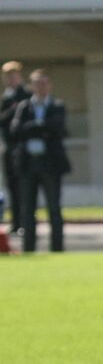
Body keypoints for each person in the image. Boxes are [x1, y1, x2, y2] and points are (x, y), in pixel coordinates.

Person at [10, 69, 70, 254]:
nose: (41, 87)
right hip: (28, 164)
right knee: (27, 209)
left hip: (51, 164)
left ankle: (57, 248)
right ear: (31, 86)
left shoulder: (57, 106)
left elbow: (58, 129)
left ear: (49, 85)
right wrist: (41, 127)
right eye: (37, 84)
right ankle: (28, 248)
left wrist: (35, 128)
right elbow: (16, 130)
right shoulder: (24, 106)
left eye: (44, 83)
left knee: (54, 208)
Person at [0, 61, 29, 235]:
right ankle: (16, 221)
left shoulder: (25, 94)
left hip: (21, 147)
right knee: (12, 185)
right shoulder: (7, 96)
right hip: (9, 147)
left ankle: (25, 222)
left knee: (23, 187)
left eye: (13, 76)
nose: (10, 79)